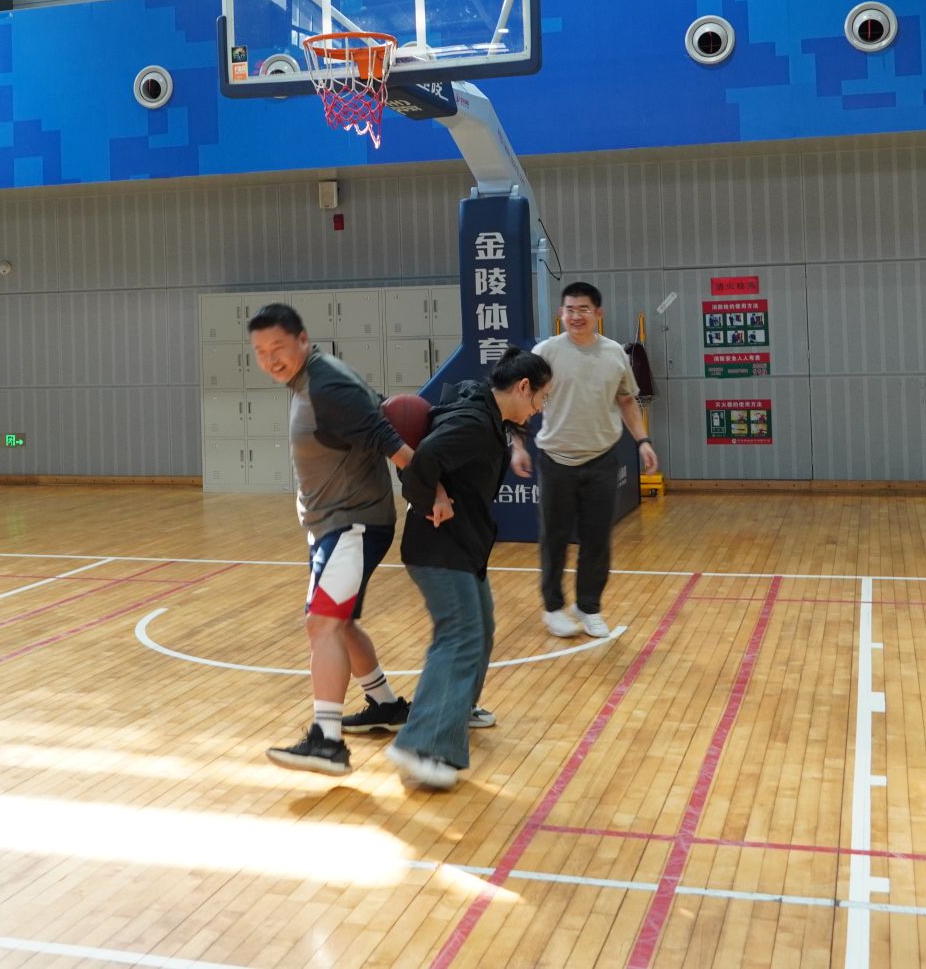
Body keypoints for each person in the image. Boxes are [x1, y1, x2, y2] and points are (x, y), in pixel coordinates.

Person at [248, 302, 414, 776]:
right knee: (339, 624)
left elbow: (391, 441)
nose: (271, 359)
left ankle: (327, 741)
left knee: (321, 625)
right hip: (334, 527)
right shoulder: (313, 379)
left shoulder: (327, 384)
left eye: (279, 347)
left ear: (303, 340)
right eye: (261, 352)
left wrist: (435, 493)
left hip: (351, 525)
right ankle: (385, 704)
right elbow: (377, 408)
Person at [387, 348, 554, 791]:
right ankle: (422, 744)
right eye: (541, 398)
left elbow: (446, 448)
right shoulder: (474, 423)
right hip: (440, 548)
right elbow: (420, 462)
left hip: (464, 546)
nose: (540, 409)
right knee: (459, 637)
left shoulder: (481, 405)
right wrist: (432, 496)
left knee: (481, 628)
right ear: (523, 387)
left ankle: (456, 709)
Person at [509, 281, 658, 639]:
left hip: (601, 460)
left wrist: (643, 441)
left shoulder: (614, 354)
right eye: (570, 309)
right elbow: (519, 400)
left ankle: (589, 607)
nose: (576, 316)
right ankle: (553, 608)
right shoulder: (546, 352)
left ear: (598, 313)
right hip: (555, 460)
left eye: (583, 309)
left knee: (597, 538)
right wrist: (518, 446)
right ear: (561, 313)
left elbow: (627, 400)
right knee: (555, 538)